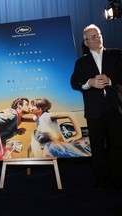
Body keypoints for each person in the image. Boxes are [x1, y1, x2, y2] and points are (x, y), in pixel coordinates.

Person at [71, 24, 122, 192]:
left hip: (116, 109)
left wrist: (110, 80)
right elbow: (74, 83)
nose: (95, 39)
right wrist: (89, 83)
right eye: (91, 37)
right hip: (94, 111)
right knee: (98, 148)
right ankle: (101, 180)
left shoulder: (116, 54)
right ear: (85, 43)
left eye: (97, 35)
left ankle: (117, 179)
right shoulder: (81, 62)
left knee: (117, 146)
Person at [23, 98, 90, 158]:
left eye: (32, 106)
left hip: (59, 147)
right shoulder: (37, 118)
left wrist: (78, 134)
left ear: (39, 109)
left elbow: (70, 114)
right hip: (48, 146)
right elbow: (22, 119)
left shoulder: (47, 116)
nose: (29, 107)